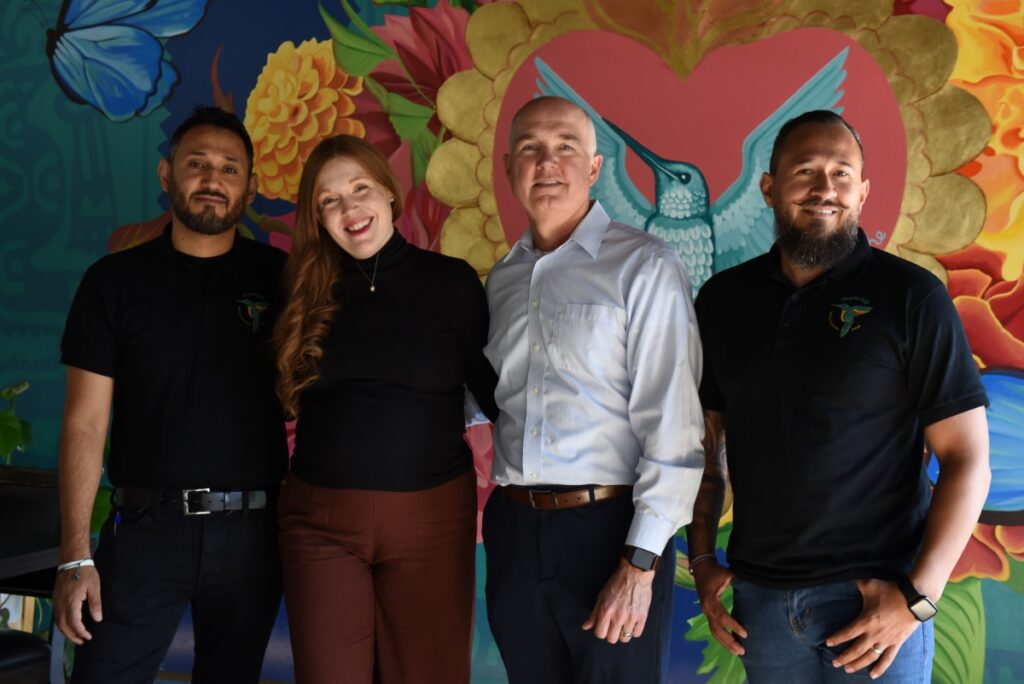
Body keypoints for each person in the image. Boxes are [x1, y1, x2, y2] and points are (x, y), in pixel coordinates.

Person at [688, 110, 991, 682]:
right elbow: (706, 447)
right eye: (805, 171)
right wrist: (702, 559)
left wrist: (916, 600)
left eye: (842, 173)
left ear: (863, 190)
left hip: (876, 601)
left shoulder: (912, 298)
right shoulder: (724, 300)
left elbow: (968, 460)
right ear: (770, 187)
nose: (825, 189)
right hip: (760, 605)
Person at [54, 106, 288, 682]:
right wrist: (75, 555)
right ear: (167, 175)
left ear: (250, 186)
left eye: (230, 168)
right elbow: (84, 424)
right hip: (144, 531)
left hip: (252, 536)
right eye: (197, 164)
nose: (213, 179)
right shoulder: (113, 282)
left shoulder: (283, 279)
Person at [482, 96, 705, 684]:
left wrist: (640, 563)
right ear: (508, 168)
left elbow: (674, 424)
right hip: (514, 531)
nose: (546, 161)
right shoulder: (500, 280)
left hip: (611, 532)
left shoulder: (645, 265)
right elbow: (488, 396)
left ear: (596, 167)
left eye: (565, 147)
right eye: (530, 148)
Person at [273, 134, 498, 684]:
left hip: (432, 521)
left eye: (360, 189)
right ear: (317, 217)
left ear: (389, 194)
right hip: (320, 525)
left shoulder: (452, 283)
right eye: (329, 200)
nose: (350, 209)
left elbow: (497, 396)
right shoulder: (300, 291)